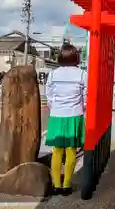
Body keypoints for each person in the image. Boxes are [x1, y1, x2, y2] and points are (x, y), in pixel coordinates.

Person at [45, 43, 87, 195]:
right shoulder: (82, 74)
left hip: (57, 115)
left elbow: (48, 95)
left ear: (60, 57)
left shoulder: (53, 74)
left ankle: (56, 184)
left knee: (57, 151)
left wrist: (54, 106)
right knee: (71, 151)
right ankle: (66, 185)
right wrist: (82, 107)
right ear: (76, 57)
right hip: (74, 115)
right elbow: (86, 96)